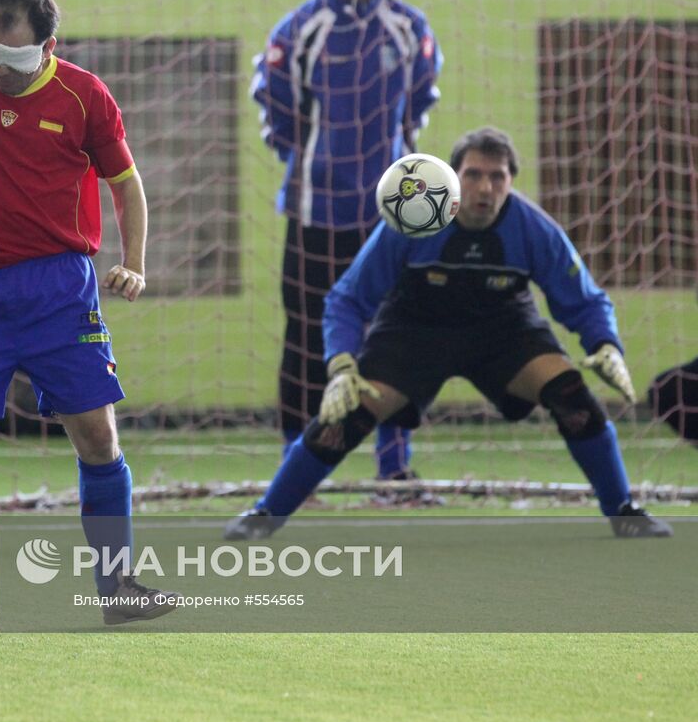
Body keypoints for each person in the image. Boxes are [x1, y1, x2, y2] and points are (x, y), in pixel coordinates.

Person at [224, 127, 672, 541]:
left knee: (573, 397)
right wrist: (341, 364)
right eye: (473, 174)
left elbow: (586, 299)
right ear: (452, 180)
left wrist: (606, 344)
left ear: (511, 181)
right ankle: (266, 514)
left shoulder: (533, 229)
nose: (485, 187)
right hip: (414, 332)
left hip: (504, 332)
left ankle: (624, 512)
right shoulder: (411, 222)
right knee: (342, 420)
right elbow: (347, 298)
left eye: (497, 177)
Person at [0, 0, 174, 632]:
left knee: (98, 436)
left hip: (60, 290)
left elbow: (127, 185)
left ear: (48, 47)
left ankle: (118, 588)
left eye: (17, 59)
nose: (1, 69)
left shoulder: (84, 95)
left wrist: (134, 262)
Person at [253, 0, 443, 485]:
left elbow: (416, 109)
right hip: (315, 212)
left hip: (390, 216)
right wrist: (318, 164)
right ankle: (297, 469)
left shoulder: (409, 28)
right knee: (305, 338)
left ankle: (394, 468)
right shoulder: (297, 31)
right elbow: (277, 116)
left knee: (396, 335)